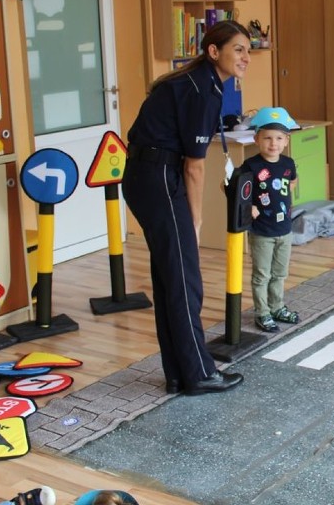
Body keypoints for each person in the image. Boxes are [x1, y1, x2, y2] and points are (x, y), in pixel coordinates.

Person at [122, 20, 248, 396]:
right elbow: (194, 166)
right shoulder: (201, 91)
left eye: (247, 50)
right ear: (214, 51)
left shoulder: (198, 83)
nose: (245, 57)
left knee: (169, 279)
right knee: (184, 280)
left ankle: (178, 372)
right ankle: (198, 373)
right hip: (159, 179)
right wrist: (196, 220)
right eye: (238, 49)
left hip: (148, 175)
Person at [241, 107, 301, 333]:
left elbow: (292, 182)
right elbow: (235, 189)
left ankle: (277, 307)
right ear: (256, 139)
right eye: (267, 138)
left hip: (284, 229)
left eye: (278, 138)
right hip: (261, 231)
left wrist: (286, 201)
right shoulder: (251, 166)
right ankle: (262, 312)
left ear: (286, 140)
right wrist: (250, 206)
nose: (273, 143)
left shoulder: (288, 164)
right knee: (262, 274)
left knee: (280, 273)